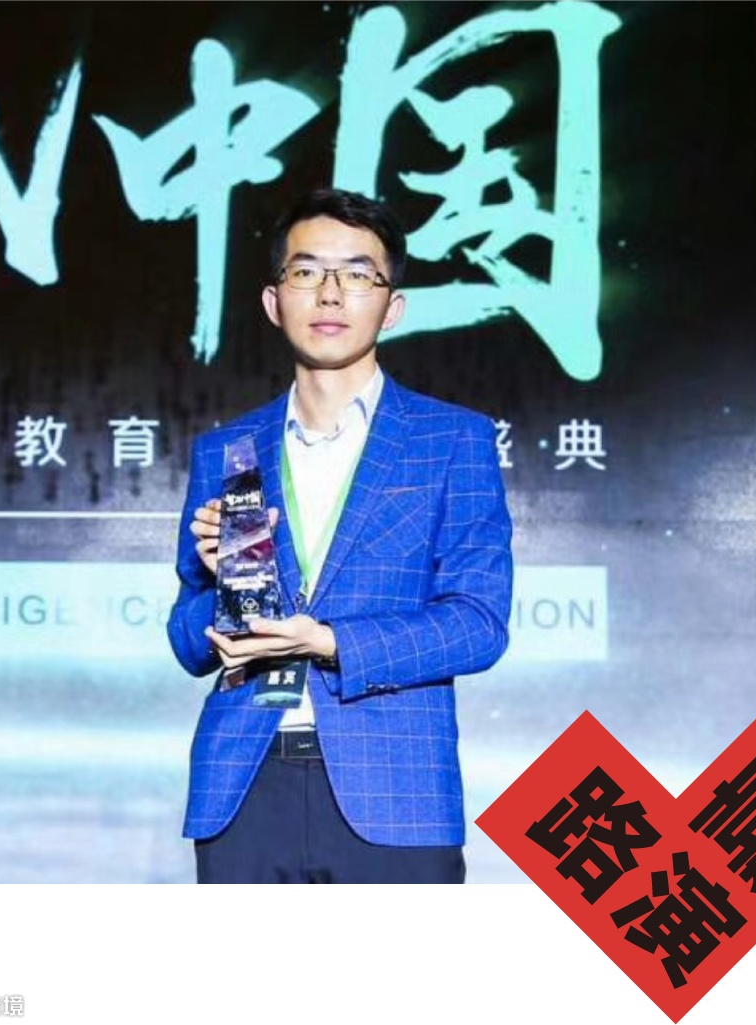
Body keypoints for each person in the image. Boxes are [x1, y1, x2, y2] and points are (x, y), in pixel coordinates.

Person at [166, 187, 514, 883]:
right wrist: (222, 582)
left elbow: (479, 625)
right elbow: (187, 642)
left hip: (395, 791)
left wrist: (327, 642)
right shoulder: (229, 450)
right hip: (243, 787)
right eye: (306, 271)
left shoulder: (451, 440)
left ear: (393, 306)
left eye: (357, 274)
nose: (329, 294)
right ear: (274, 302)